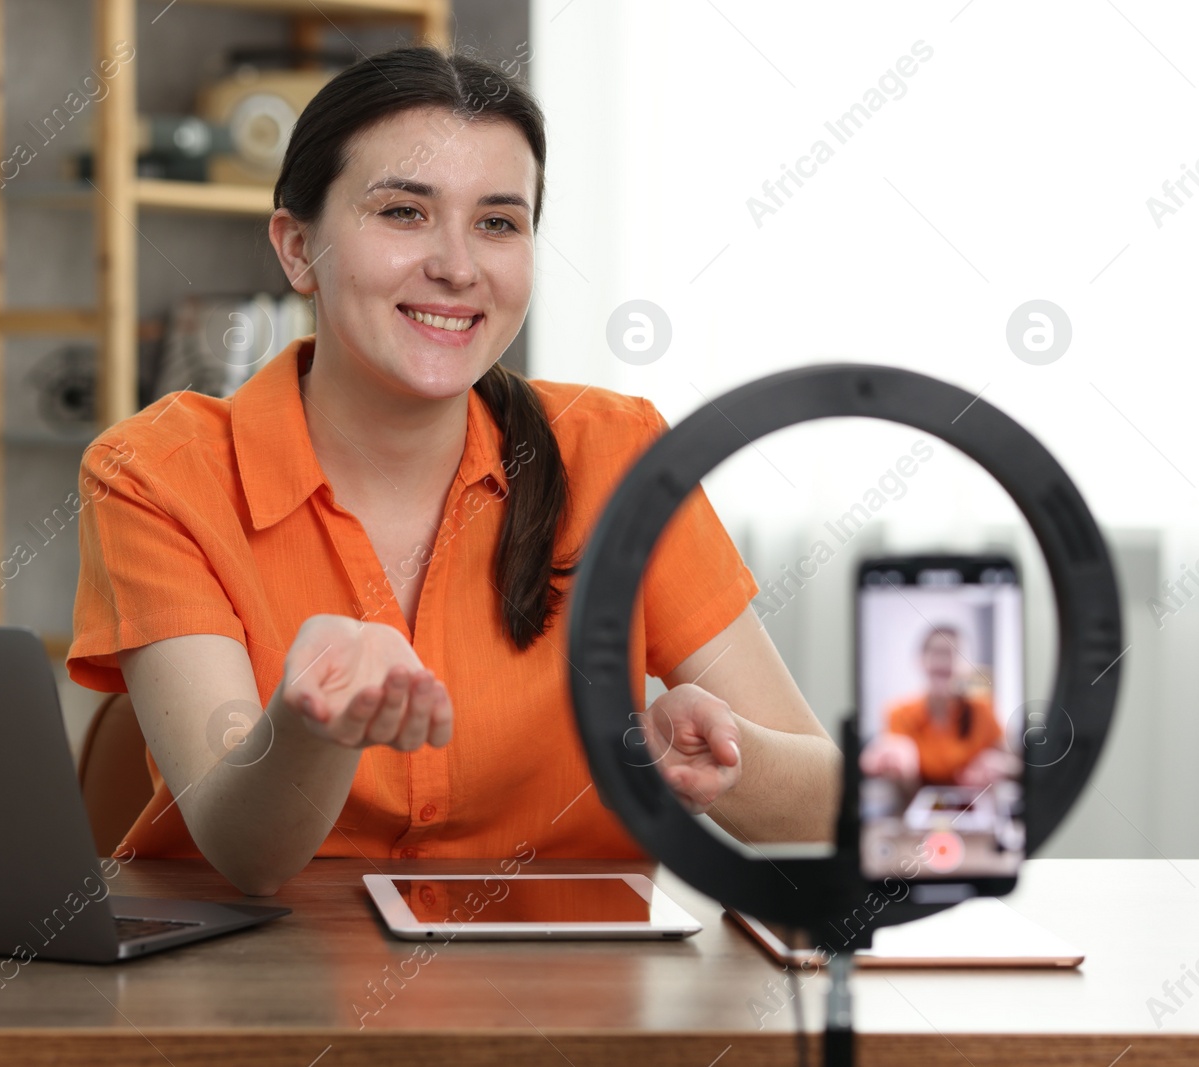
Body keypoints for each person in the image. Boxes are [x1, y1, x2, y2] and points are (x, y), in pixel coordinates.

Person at [65, 45, 841, 897]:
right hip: (259, 995)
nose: (458, 266)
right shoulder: (157, 477)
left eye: (499, 223)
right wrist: (310, 718)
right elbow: (244, 849)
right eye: (403, 212)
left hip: (569, 998)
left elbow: (826, 805)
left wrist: (729, 757)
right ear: (295, 249)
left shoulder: (616, 455)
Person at [860, 625, 1019, 788]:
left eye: (953, 653)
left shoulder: (983, 709)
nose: (943, 662)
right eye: (936, 653)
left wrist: (1001, 766)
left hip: (975, 808)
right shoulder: (900, 713)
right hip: (916, 808)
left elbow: (1015, 763)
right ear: (921, 660)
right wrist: (893, 766)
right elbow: (880, 758)